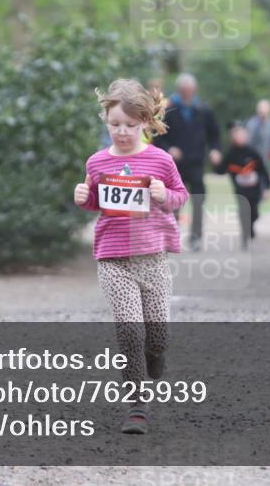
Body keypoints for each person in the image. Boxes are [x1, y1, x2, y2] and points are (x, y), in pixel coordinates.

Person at [73, 78, 189, 434]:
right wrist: (84, 197)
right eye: (115, 125)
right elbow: (98, 202)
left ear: (145, 122)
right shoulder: (96, 162)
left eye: (130, 125)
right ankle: (136, 405)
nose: (122, 132)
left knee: (156, 337)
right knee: (129, 331)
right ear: (105, 122)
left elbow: (181, 196)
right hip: (113, 260)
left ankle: (156, 357)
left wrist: (162, 195)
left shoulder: (160, 160)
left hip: (152, 259)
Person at [152, 73, 222, 250]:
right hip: (174, 166)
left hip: (196, 163)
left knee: (199, 200)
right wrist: (169, 149)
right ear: (178, 90)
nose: (187, 93)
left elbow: (215, 134)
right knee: (173, 201)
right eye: (184, 91)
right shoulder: (167, 110)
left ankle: (196, 237)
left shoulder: (203, 109)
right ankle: (172, 236)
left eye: (190, 90)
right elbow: (158, 137)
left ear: (194, 90)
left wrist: (215, 150)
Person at [214, 121, 270, 250]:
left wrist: (267, 188)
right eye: (236, 134)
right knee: (243, 211)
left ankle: (250, 226)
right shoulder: (230, 153)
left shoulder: (253, 152)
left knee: (254, 212)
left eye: (241, 134)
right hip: (240, 190)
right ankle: (246, 233)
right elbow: (220, 171)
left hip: (255, 190)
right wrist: (216, 162)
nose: (238, 137)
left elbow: (264, 171)